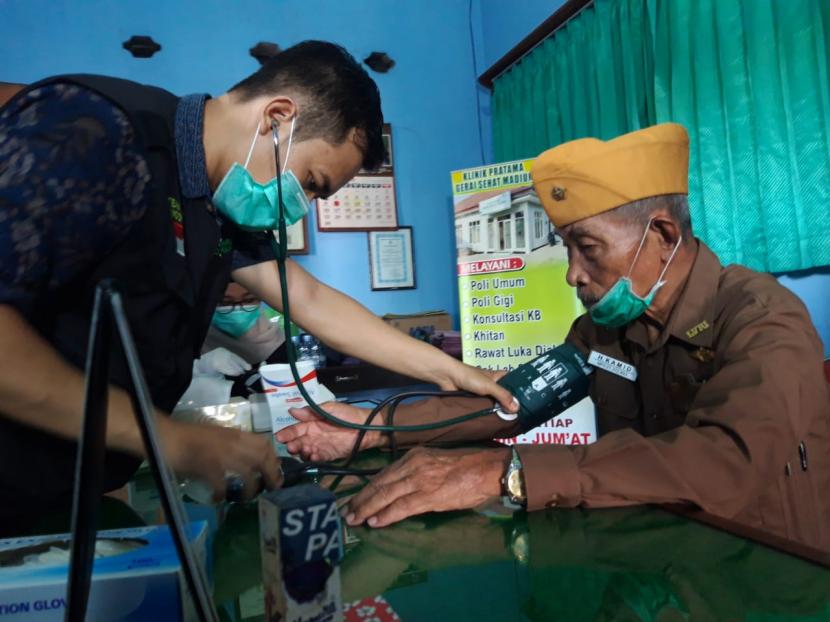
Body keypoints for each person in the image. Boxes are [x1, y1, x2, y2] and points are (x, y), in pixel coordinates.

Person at [0, 40, 514, 534]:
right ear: (277, 118)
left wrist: (452, 371)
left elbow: (310, 299)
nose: (302, 205)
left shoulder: (212, 202)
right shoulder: (99, 131)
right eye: (312, 182)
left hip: (68, 489)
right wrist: (171, 439)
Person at [279, 124, 830, 550]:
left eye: (588, 248)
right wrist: (373, 429)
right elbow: (514, 402)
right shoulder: (603, 331)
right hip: (654, 553)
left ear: (661, 234)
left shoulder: (763, 319)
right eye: (567, 249)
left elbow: (725, 462)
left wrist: (508, 471)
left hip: (767, 568)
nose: (572, 274)